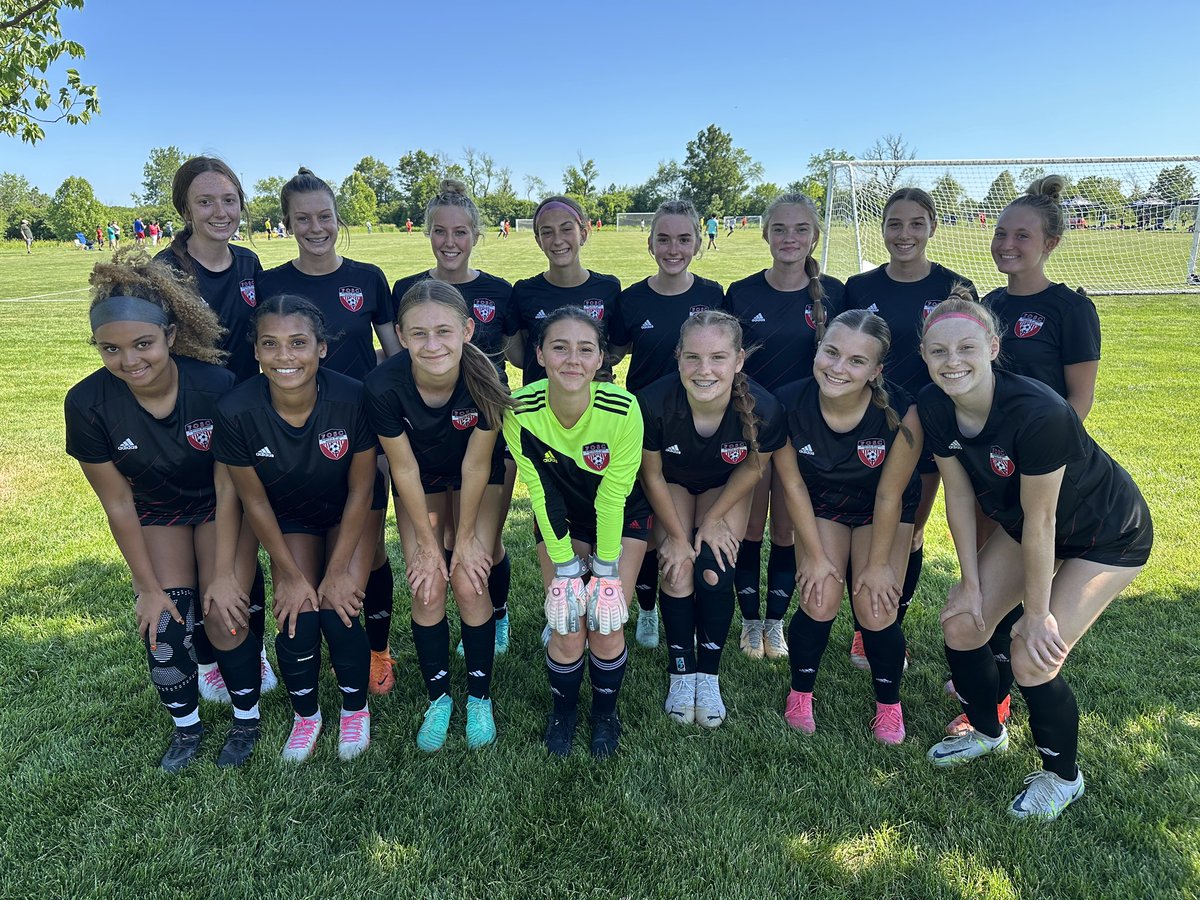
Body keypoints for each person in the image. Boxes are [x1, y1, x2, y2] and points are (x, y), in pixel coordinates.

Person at [919, 289, 1152, 820]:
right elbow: (957, 497)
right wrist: (971, 582)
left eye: (966, 348)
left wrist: (1037, 612)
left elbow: (1045, 520)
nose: (952, 362)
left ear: (993, 346)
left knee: (1031, 651)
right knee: (961, 621)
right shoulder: (934, 406)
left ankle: (1062, 776)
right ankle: (985, 730)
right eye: (938, 351)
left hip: (1106, 534)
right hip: (1029, 525)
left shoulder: (1039, 411)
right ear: (925, 355)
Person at [64, 251, 259, 771]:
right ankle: (187, 729)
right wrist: (148, 589)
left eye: (143, 344)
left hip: (219, 506)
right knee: (165, 622)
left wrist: (221, 573)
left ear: (171, 336)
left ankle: (247, 719)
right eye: (111, 348)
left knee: (225, 614)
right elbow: (119, 501)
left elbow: (230, 481)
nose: (130, 361)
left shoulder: (215, 386)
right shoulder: (86, 403)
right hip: (156, 511)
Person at [941, 175, 1103, 738]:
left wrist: (1040, 463)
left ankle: (1002, 694)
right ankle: (980, 671)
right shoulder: (988, 306)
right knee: (989, 571)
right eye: (1002, 233)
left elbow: (1076, 401)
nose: (1007, 244)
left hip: (1042, 469)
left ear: (1050, 243)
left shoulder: (1069, 309)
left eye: (1023, 235)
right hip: (990, 469)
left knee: (1034, 568)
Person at [213, 295, 384, 762]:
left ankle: (354, 708)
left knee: (339, 604)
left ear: (321, 348)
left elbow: (362, 489)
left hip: (353, 509)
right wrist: (288, 574)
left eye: (298, 343)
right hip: (289, 514)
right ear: (256, 352)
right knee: (298, 614)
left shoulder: (352, 397)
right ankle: (306, 716)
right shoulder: (236, 410)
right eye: (270, 344)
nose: (284, 356)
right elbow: (253, 500)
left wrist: (339, 571)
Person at [258, 167, 401, 694]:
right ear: (287, 223)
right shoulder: (270, 283)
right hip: (293, 435)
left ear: (338, 218)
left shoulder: (367, 277)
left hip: (361, 432)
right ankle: (313, 648)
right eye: (303, 219)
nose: (315, 227)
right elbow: (265, 359)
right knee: (305, 541)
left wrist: (393, 430)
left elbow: (393, 355)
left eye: (324, 216)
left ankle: (376, 650)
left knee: (372, 549)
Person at [366, 280, 513, 750]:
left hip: (480, 476)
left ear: (467, 330)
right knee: (428, 585)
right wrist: (429, 549)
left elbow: (476, 463)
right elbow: (403, 467)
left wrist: (467, 539)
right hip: (422, 479)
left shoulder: (486, 378)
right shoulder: (383, 385)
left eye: (445, 331)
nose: (433, 345)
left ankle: (479, 697)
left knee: (471, 580)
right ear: (401, 336)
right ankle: (438, 698)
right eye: (419, 334)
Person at [504, 307, 649, 758]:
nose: (572, 360)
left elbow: (614, 498)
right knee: (566, 621)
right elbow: (543, 493)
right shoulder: (520, 410)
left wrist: (606, 573)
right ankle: (563, 712)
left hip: (620, 515)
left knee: (606, 621)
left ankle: (605, 715)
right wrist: (567, 569)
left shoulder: (623, 409)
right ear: (540, 355)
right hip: (560, 514)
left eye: (585, 349)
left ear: (602, 358)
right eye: (559, 347)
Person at [842, 187, 977, 672]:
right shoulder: (857, 288)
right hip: (865, 427)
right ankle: (866, 626)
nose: (905, 234)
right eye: (895, 224)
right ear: (881, 228)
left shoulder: (956, 287)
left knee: (910, 531)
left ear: (932, 227)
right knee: (868, 524)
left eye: (916, 223)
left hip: (929, 428)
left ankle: (884, 624)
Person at [773, 309, 923, 743]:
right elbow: (794, 486)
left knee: (875, 607)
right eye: (831, 352)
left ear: (876, 371)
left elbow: (889, 495)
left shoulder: (902, 410)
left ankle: (889, 705)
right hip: (823, 503)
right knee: (820, 597)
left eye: (857, 361)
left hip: (885, 508)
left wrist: (877, 565)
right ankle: (800, 693)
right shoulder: (787, 403)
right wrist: (816, 557)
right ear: (817, 349)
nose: (838, 368)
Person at [156, 156, 275, 701]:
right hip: (193, 426)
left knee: (246, 538)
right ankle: (207, 658)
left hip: (249, 421)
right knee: (208, 542)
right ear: (184, 208)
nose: (219, 211)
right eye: (205, 201)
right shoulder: (165, 272)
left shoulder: (249, 263)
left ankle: (254, 647)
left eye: (229, 200)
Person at [638, 311, 789, 727]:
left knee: (713, 566)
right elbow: (650, 473)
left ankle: (709, 675)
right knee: (677, 565)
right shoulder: (652, 403)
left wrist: (711, 523)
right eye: (693, 358)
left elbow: (753, 469)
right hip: (673, 482)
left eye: (718, 358)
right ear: (678, 356)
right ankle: (680, 673)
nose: (705, 370)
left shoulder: (765, 408)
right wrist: (675, 535)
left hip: (725, 486)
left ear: (739, 360)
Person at [391, 179, 518, 658]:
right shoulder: (408, 289)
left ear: (476, 235)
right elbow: (395, 358)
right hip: (423, 435)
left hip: (482, 430)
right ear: (427, 233)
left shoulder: (498, 292)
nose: (450, 242)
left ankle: (496, 615)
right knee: (439, 537)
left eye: (460, 232)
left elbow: (522, 352)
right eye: (440, 231)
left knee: (485, 541)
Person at [725, 192, 845, 660]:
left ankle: (776, 622)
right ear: (765, 234)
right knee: (751, 525)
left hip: (808, 432)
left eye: (800, 230)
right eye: (780, 229)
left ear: (814, 236)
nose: (789, 238)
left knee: (787, 531)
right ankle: (750, 621)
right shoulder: (742, 292)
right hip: (753, 427)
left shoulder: (835, 292)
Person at [609, 198, 725, 646]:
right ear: (650, 242)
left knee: (692, 526)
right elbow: (614, 354)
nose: (673, 248)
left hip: (700, 427)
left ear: (697, 241)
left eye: (682, 238)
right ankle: (648, 609)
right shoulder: (632, 298)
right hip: (645, 425)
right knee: (651, 526)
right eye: (663, 238)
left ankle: (691, 610)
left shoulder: (713, 296)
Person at [506, 195, 621, 385]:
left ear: (583, 234)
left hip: (595, 406)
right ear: (538, 240)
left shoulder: (608, 288)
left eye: (567, 229)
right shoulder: (524, 291)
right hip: (539, 408)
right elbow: (519, 357)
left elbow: (615, 351)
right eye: (547, 232)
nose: (558, 240)